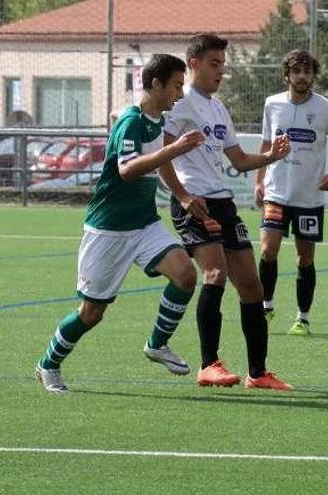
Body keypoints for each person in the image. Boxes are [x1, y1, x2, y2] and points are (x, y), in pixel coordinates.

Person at [34, 54, 205, 394]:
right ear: (155, 84)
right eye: (175, 85)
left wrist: (183, 194)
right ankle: (48, 365)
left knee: (186, 275)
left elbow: (139, 137)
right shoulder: (132, 122)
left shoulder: (153, 119)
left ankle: (157, 344)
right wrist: (173, 150)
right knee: (91, 313)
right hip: (108, 230)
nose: (181, 93)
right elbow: (128, 170)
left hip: (143, 224)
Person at [161, 34, 293, 390]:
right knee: (215, 273)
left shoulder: (218, 108)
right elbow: (162, 156)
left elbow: (237, 159)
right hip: (195, 202)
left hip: (222, 201)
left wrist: (271, 157)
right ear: (193, 64)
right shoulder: (180, 103)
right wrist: (183, 195)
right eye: (214, 63)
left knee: (251, 285)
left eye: (223, 64)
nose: (221, 71)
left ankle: (258, 372)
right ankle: (209, 364)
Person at [254, 49, 328, 336]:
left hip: (309, 198)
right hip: (276, 192)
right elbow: (266, 144)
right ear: (287, 75)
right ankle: (265, 306)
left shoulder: (325, 108)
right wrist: (259, 181)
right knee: (268, 249)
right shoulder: (273, 104)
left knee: (304, 258)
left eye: (307, 71)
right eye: (297, 71)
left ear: (313, 76)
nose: (302, 76)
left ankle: (302, 318)